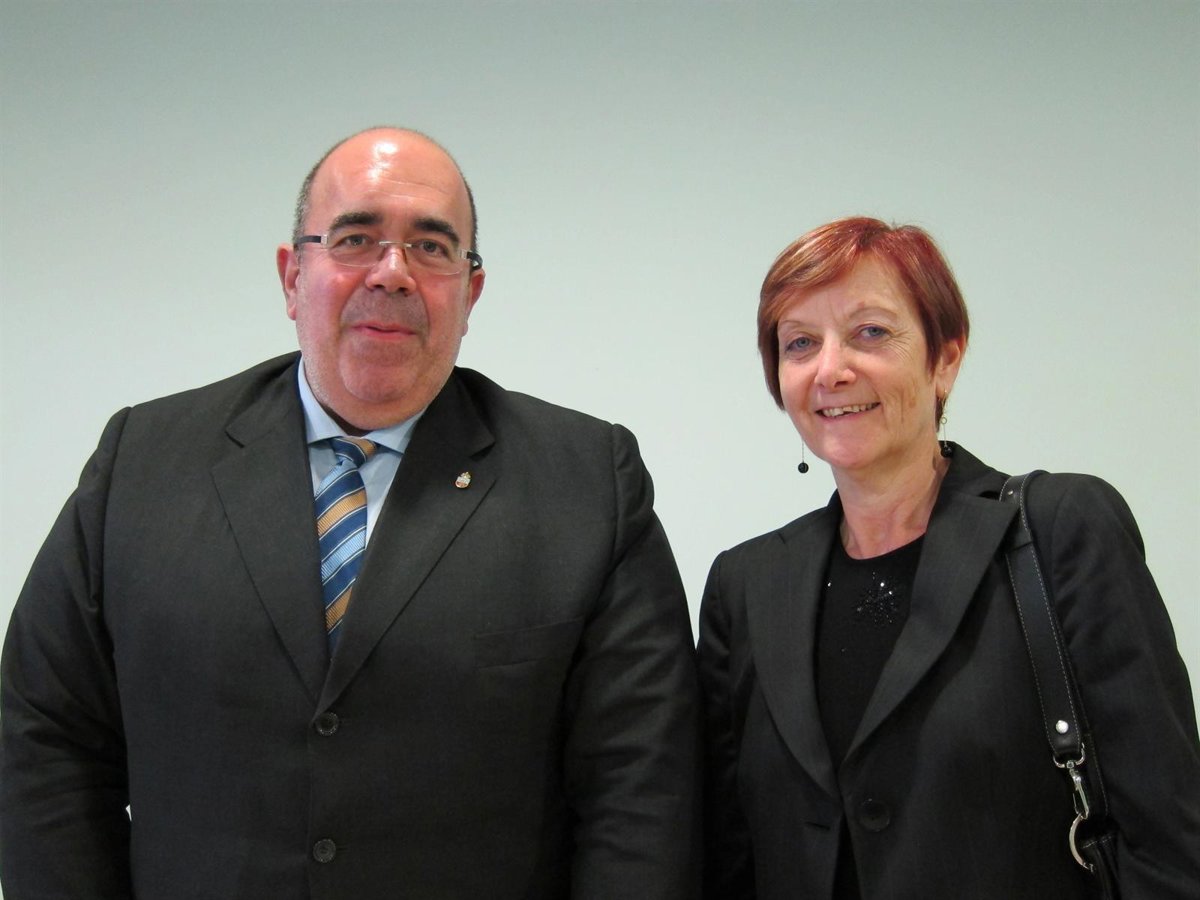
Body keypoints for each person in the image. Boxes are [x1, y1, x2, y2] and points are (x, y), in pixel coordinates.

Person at [0, 127, 701, 898]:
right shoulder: (143, 463)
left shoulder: (588, 485)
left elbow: (642, 790)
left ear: (470, 292)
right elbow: (45, 741)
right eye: (356, 239)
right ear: (292, 275)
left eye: (431, 247)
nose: (393, 273)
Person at [697, 216, 1200, 899]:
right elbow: (730, 855)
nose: (831, 369)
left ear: (946, 358)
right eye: (800, 343)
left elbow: (1166, 837)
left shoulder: (1060, 530)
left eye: (870, 332)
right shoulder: (746, 586)